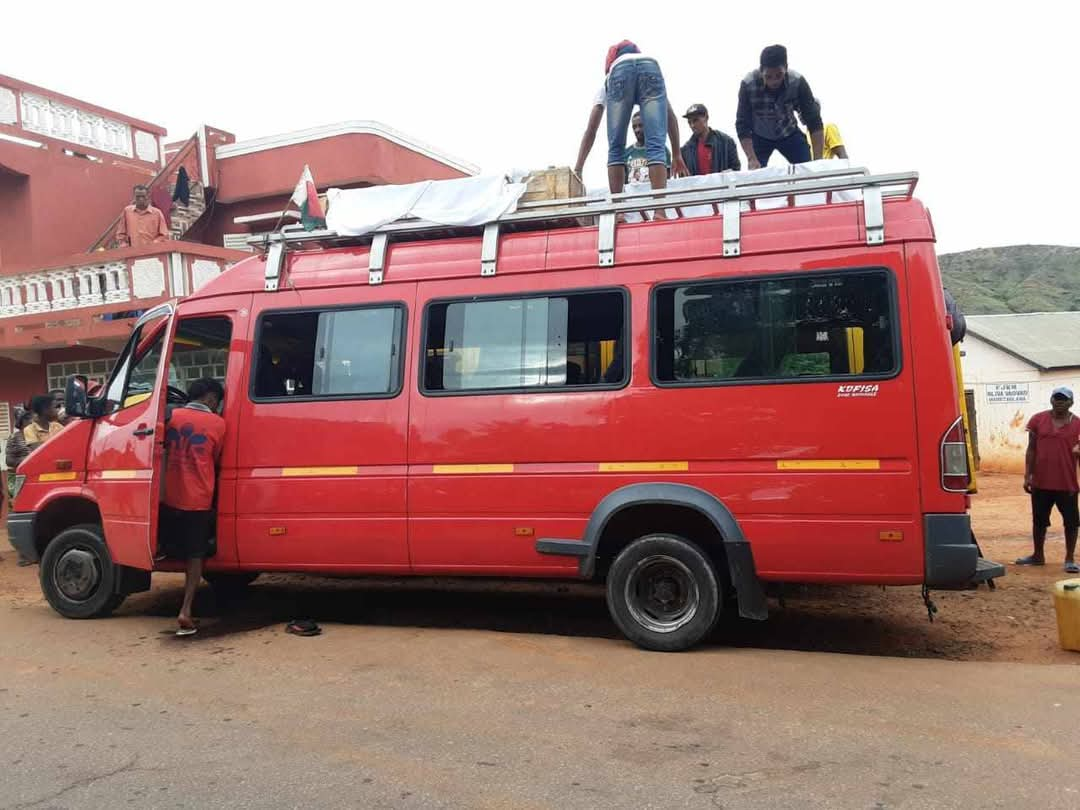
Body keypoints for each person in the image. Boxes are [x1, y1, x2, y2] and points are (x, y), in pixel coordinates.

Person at [574, 40, 688, 201]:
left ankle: (618, 208)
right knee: (656, 145)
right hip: (651, 66)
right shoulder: (643, 60)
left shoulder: (610, 75)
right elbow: (669, 115)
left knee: (616, 148)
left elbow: (591, 129)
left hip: (620, 71)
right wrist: (676, 153)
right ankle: (659, 210)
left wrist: (579, 167)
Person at [160, 378, 226, 635]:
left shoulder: (169, 417)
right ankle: (186, 610)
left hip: (168, 497)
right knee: (195, 556)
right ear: (211, 399)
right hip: (198, 499)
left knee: (167, 545)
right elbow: (217, 458)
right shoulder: (218, 424)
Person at [1017, 387, 1080, 573]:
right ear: (1051, 400)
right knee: (1039, 521)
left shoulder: (1078, 424)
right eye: (1056, 398)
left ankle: (1069, 558)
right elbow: (1031, 449)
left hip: (1067, 484)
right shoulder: (1038, 420)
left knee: (1071, 522)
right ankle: (1038, 555)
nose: (1060, 402)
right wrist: (1027, 475)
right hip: (1040, 483)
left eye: (1064, 399)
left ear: (1071, 403)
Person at [736, 44, 824, 169]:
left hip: (789, 132)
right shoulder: (748, 84)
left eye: (779, 75)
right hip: (760, 137)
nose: (774, 81)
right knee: (755, 175)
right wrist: (751, 158)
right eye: (768, 77)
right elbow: (742, 123)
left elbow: (814, 120)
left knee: (807, 168)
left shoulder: (797, 82)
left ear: (786, 68)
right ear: (761, 71)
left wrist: (818, 161)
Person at [680, 104, 741, 175]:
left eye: (695, 120)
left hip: (722, 185)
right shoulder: (685, 150)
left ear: (706, 118)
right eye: (689, 122)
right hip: (699, 186)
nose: (692, 125)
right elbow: (683, 179)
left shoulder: (726, 142)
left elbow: (736, 170)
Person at [115, 184, 170, 248]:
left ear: (148, 196)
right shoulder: (127, 211)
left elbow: (164, 235)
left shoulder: (157, 213)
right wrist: (123, 244)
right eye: (138, 197)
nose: (141, 199)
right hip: (132, 252)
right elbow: (121, 233)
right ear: (134, 197)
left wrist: (154, 243)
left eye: (143, 196)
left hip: (151, 252)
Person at [624, 111, 672, 183]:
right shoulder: (626, 153)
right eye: (634, 127)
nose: (637, 130)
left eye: (640, 125)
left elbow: (667, 181)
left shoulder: (660, 149)